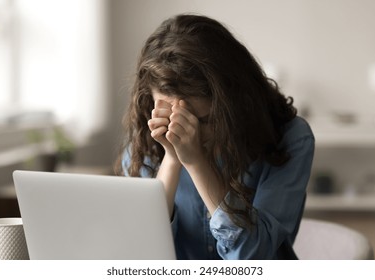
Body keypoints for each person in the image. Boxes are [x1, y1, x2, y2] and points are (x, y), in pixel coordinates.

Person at [116, 14, 315, 260]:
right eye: (170, 119)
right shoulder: (148, 138)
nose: (184, 132)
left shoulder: (291, 137)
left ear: (235, 102)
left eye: (204, 120)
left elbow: (252, 258)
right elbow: (140, 257)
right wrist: (171, 160)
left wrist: (196, 162)